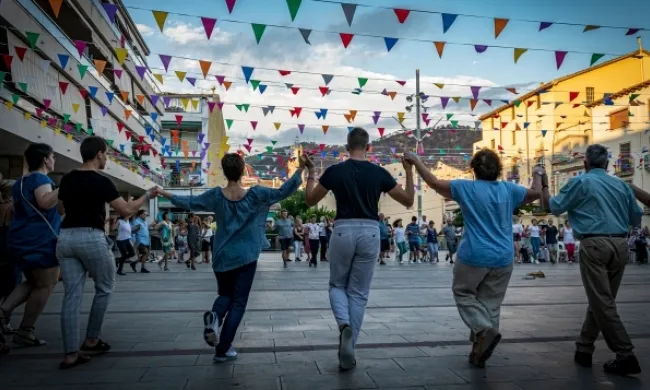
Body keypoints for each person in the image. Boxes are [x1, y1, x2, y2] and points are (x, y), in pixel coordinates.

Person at [153, 152, 306, 363]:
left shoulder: (216, 195)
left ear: (224, 172)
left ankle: (215, 317)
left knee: (225, 294)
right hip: (246, 256)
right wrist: (300, 170)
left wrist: (163, 192)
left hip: (222, 255)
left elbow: (190, 202)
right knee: (238, 303)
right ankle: (223, 349)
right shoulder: (256, 195)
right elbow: (283, 191)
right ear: (243, 170)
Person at [404, 149, 541, 368]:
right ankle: (478, 351)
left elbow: (434, 182)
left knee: (463, 293)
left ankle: (483, 332)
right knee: (490, 304)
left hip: (474, 255)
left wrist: (416, 162)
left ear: (474, 169)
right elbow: (535, 192)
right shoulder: (509, 189)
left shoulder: (465, 187)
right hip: (504, 257)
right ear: (498, 170)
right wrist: (538, 173)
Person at [303, 127, 415, 371]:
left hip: (342, 229)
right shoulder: (379, 173)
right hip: (370, 231)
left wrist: (311, 172)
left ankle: (344, 325)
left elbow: (310, 199)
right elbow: (408, 200)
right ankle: (350, 347)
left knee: (336, 285)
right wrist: (408, 170)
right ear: (369, 148)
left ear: (346, 147)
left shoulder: (334, 171)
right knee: (359, 293)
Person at [541, 144, 643, 376]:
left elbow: (554, 207)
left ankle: (625, 354)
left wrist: (545, 185)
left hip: (594, 244)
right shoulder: (621, 185)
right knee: (602, 300)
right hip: (620, 244)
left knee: (602, 301)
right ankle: (584, 348)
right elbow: (636, 217)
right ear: (607, 164)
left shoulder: (580, 182)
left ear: (585, 164)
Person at [57, 136, 153, 369]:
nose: (107, 158)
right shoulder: (102, 181)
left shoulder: (67, 179)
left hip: (65, 238)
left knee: (71, 295)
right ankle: (91, 339)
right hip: (91, 237)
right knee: (104, 287)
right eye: (106, 154)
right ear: (99, 154)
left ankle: (70, 354)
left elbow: (61, 208)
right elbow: (128, 210)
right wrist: (148, 195)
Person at [0, 143, 61, 348]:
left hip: (21, 237)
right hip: (39, 240)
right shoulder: (39, 178)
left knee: (34, 282)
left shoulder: (20, 181)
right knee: (46, 284)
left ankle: (2, 313)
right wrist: (64, 188)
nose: (54, 160)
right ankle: (25, 331)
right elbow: (44, 202)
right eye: (53, 156)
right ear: (45, 159)